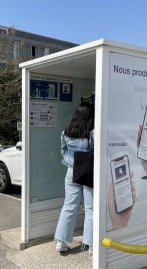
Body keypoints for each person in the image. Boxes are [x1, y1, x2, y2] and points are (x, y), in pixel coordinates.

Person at [54, 102, 94, 254]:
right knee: (90, 209)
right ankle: (91, 245)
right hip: (88, 173)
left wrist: (71, 163)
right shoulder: (92, 133)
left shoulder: (66, 132)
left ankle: (61, 242)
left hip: (71, 172)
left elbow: (63, 151)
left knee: (69, 206)